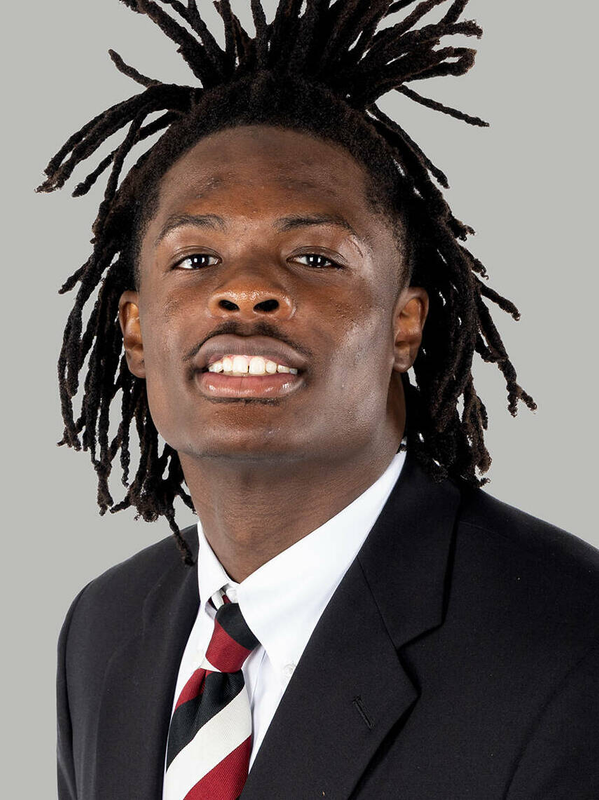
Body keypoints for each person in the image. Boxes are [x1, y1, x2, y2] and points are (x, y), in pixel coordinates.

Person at [38, 1, 599, 798]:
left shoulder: (570, 641)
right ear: (134, 330)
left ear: (404, 326)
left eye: (313, 257)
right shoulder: (102, 630)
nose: (244, 291)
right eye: (195, 258)